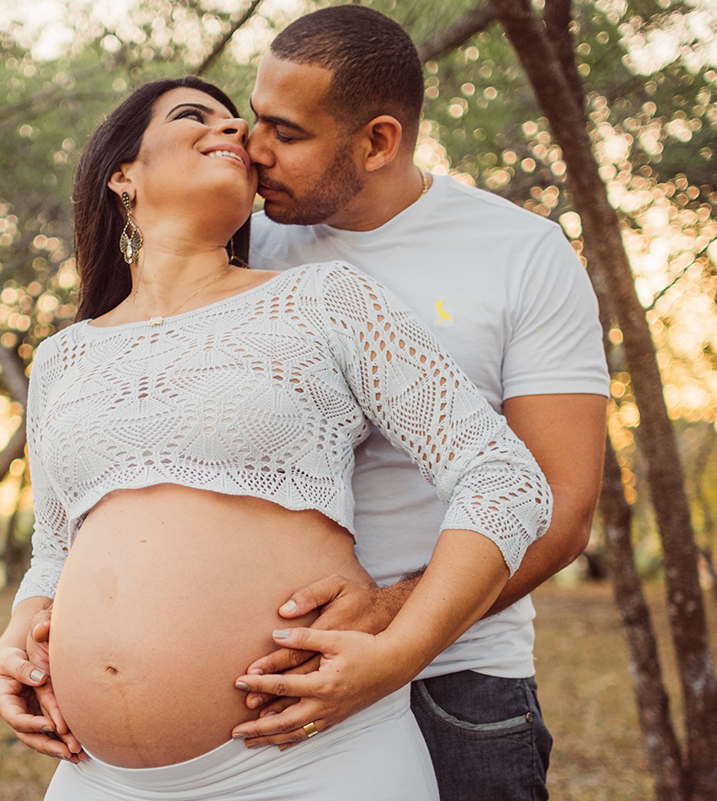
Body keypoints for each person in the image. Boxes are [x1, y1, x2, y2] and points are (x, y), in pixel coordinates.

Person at [0, 73, 553, 800]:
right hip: (98, 777)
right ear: (121, 172)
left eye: (238, 125)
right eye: (197, 116)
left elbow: (502, 477)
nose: (231, 131)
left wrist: (396, 651)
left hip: (312, 762)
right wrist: (19, 634)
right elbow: (56, 548)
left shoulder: (325, 299)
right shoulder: (63, 357)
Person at [227, 7, 609, 801]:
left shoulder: (521, 254)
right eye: (255, 117)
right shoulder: (243, 246)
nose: (253, 150)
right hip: (270, 677)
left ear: (377, 140)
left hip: (460, 685)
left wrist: (390, 619)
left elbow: (564, 510)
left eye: (287, 133)